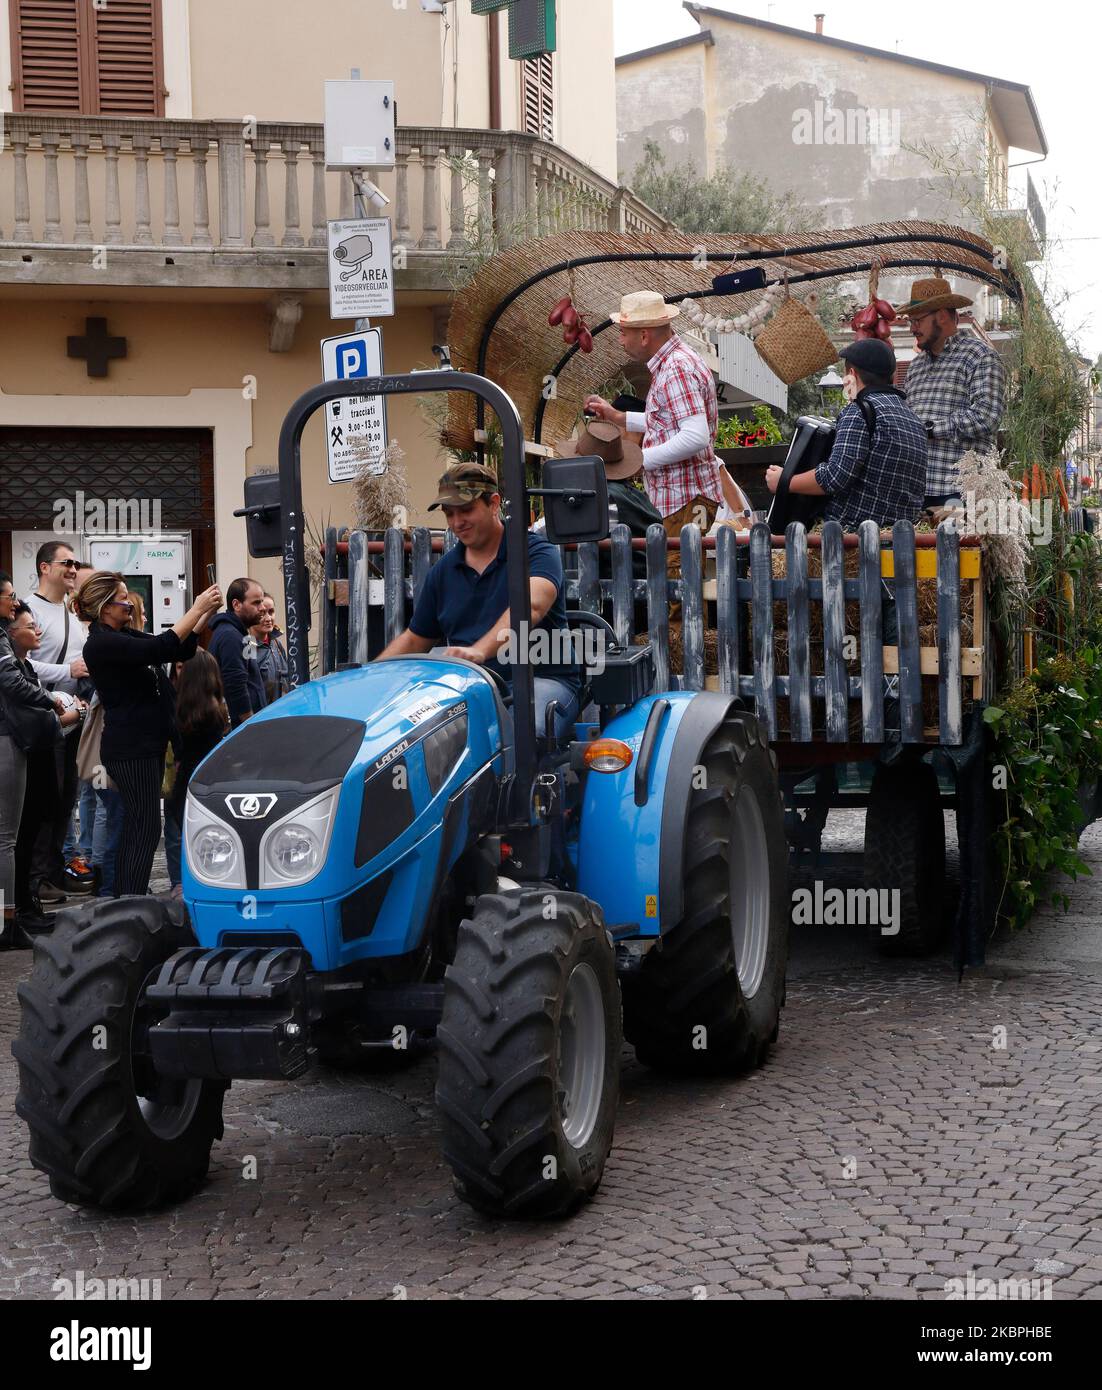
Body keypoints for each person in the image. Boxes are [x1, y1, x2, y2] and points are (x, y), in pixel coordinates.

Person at [378, 462, 581, 738]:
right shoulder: (443, 573)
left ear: (494, 503)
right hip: (471, 687)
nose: (456, 522)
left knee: (517, 731)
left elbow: (532, 607)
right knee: (413, 738)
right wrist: (371, 675)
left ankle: (538, 780)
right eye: (449, 514)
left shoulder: (536, 553)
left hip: (542, 680)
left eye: (466, 510)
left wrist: (479, 651)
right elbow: (415, 639)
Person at [78, 572, 222, 898]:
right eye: (122, 598)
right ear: (104, 607)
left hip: (146, 745)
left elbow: (178, 649)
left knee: (141, 828)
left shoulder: (123, 635)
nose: (129, 603)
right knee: (143, 828)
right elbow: (162, 646)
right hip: (132, 748)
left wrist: (203, 615)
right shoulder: (102, 643)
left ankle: (130, 897)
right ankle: (129, 899)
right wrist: (196, 606)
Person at [584, 290, 723, 576]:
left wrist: (638, 459)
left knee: (677, 591)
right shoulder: (675, 362)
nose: (621, 341)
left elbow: (695, 436)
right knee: (679, 584)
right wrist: (619, 417)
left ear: (644, 335)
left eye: (623, 333)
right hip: (686, 497)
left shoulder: (676, 368)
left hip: (685, 496)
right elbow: (670, 420)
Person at [764, 339, 927, 530]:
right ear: (890, 375)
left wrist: (784, 482)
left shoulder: (860, 411)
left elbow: (836, 476)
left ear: (852, 375)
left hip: (852, 535)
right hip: (899, 536)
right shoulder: (913, 419)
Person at [1, 600, 83, 943]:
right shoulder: (10, 662)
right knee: (9, 840)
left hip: (32, 753)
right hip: (18, 750)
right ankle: (9, 921)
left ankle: (24, 909)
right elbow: (22, 702)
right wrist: (57, 708)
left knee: (26, 835)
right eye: (29, 625)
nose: (36, 630)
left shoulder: (25, 665)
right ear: (11, 632)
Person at [894, 275, 1007, 509]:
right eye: (910, 320)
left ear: (943, 315)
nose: (912, 327)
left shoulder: (979, 356)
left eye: (917, 320)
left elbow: (987, 417)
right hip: (916, 491)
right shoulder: (915, 366)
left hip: (962, 495)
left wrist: (931, 429)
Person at [24, 540, 93, 901]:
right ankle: (36, 880)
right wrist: (67, 670)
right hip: (43, 719)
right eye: (65, 563)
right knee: (44, 803)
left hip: (73, 720)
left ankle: (51, 871)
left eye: (74, 563)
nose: (72, 569)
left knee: (66, 800)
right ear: (44, 567)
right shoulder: (27, 610)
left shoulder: (70, 616)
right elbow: (22, 666)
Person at [555, 419, 662, 578]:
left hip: (610, 592)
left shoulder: (600, 499)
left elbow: (552, 529)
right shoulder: (637, 497)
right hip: (645, 587)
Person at [165, 650, 229, 896]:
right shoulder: (216, 709)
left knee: (178, 835)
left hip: (184, 782)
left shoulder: (181, 711)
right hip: (208, 780)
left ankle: (180, 884)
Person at [208, 577, 268, 727]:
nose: (262, 608)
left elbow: (252, 676)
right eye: (256, 602)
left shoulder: (245, 634)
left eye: (262, 601)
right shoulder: (230, 636)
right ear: (236, 604)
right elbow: (235, 685)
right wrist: (249, 724)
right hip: (240, 730)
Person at [252, 593, 289, 704]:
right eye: (262, 613)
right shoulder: (247, 647)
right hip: (260, 717)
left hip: (281, 713)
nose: (268, 618)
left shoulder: (276, 643)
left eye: (271, 612)